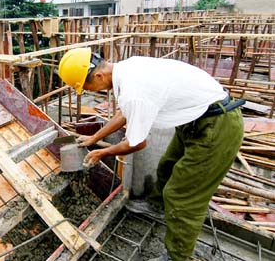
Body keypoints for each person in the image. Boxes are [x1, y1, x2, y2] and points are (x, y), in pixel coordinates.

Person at [57, 48, 244, 261]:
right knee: (167, 166)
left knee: (181, 196)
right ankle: (158, 207)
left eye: (88, 87)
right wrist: (93, 138)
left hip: (217, 126)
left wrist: (103, 152)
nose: (90, 92)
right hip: (195, 119)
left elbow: (137, 143)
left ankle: (177, 256)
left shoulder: (133, 91)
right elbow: (125, 113)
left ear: (98, 76)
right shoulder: (128, 68)